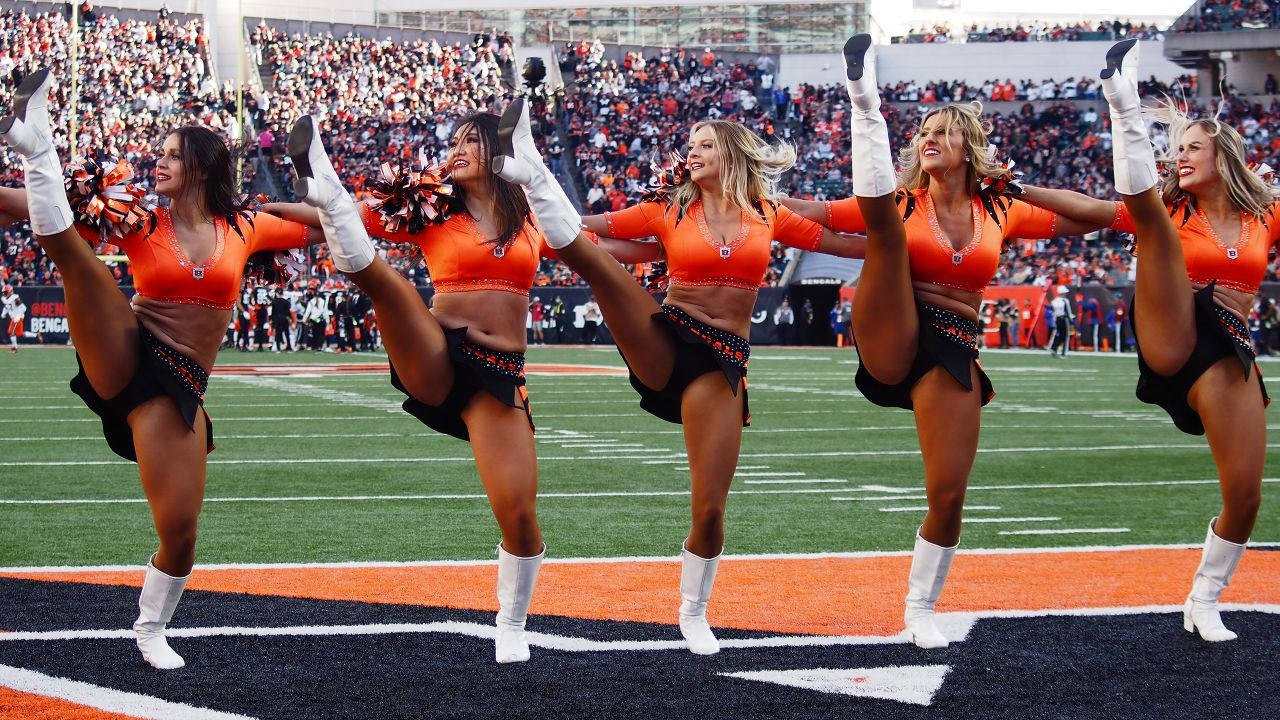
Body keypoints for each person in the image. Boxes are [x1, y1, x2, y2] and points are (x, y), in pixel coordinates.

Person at [488, 99, 862, 654]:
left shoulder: (768, 212)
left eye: (706, 143)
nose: (692, 151)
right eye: (691, 143)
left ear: (732, 153)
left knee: (710, 507)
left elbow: (841, 242)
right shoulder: (669, 209)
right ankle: (531, 164)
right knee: (600, 269)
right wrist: (525, 220)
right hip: (667, 334)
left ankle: (693, 611)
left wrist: (908, 247)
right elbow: (583, 231)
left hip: (722, 359)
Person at [782, 36, 1107, 649]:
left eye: (942, 133)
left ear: (968, 148)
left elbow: (1095, 215)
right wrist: (758, 198)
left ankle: (919, 606)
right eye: (922, 132)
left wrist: (1019, 189)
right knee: (884, 226)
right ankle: (863, 97)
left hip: (954, 344)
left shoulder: (999, 211)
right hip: (895, 324)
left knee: (950, 491)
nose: (928, 139)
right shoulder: (902, 201)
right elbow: (822, 213)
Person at [0, 68, 316, 669]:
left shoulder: (245, 228)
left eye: (172, 155)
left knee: (180, 531)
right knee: (77, 258)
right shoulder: (140, 218)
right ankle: (36, 143)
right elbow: (31, 208)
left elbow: (327, 223)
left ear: (201, 165)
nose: (159, 162)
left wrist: (292, 196)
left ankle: (150, 629)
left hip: (179, 388)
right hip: (126, 349)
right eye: (160, 153)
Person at [268, 112, 555, 663]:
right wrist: (266, 211)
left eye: (471, 141)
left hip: (498, 378)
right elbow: (349, 217)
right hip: (438, 352)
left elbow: (592, 242)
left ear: (500, 151)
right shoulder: (429, 212)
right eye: (454, 142)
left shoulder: (533, 221)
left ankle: (512, 621)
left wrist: (673, 244)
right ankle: (322, 177)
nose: (457, 150)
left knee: (519, 512)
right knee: (391, 287)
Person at [1018, 39, 1276, 641]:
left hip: (1229, 348)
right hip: (1172, 328)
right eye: (1176, 147)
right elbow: (1088, 207)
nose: (1180, 156)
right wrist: (1018, 188)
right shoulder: (1166, 208)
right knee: (1153, 220)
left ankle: (1204, 598)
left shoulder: (1268, 215)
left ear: (1225, 157)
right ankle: (1122, 103)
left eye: (1192, 148)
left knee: (1245, 496)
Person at [1049, 285, 1073, 357]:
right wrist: (1071, 321)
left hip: (1057, 319)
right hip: (1064, 319)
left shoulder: (1054, 301)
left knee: (1058, 335)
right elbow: (1068, 311)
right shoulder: (1065, 301)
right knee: (1066, 336)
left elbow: (1053, 312)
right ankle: (1064, 353)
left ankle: (1054, 348)